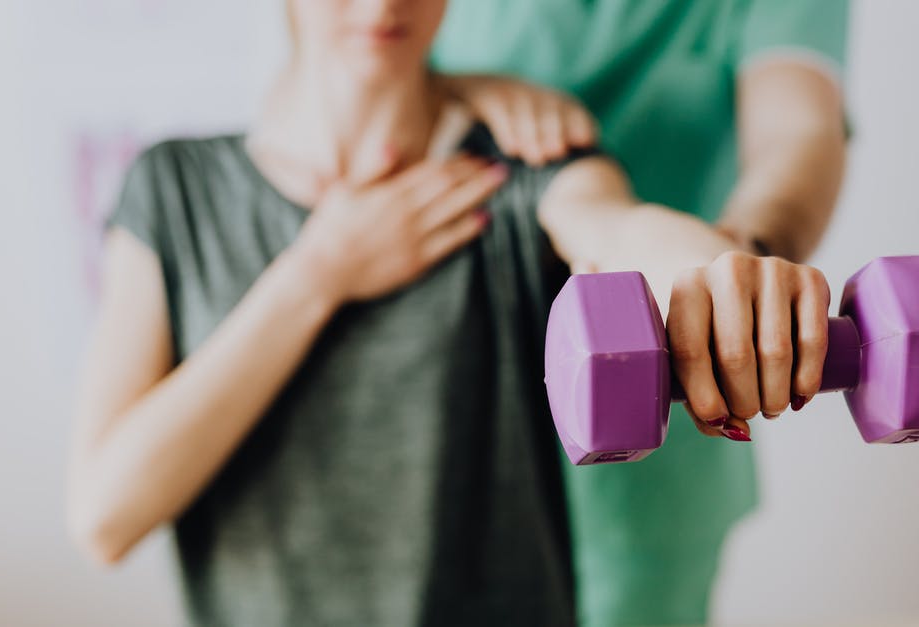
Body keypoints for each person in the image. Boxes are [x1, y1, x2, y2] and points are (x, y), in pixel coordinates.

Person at [66, 0, 834, 625]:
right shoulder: (175, 189)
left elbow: (618, 227)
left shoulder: (528, 171)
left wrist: (719, 272)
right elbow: (105, 516)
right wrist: (317, 276)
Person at [431, 2, 850, 625]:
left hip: (665, 436)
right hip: (447, 421)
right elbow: (338, 77)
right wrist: (455, 92)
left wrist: (741, 266)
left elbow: (800, 132)